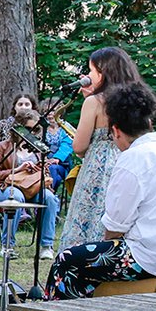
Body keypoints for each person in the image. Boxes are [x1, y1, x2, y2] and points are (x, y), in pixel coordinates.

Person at [49, 83, 156, 297]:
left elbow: (115, 228)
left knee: (66, 261)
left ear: (116, 131)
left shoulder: (132, 158)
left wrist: (105, 249)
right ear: (149, 122)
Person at [58, 45, 144, 249]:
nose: (88, 75)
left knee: (89, 215)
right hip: (127, 163)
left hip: (98, 168)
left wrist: (89, 99)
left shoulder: (95, 102)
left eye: (91, 70)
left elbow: (79, 146)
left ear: (102, 72)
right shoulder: (137, 100)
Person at [0, 107, 63, 255]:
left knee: (50, 198)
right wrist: (18, 169)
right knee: (16, 198)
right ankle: (7, 246)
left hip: (32, 186)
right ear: (18, 127)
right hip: (6, 186)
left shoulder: (37, 148)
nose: (31, 133)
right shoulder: (3, 146)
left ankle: (46, 246)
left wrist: (40, 168)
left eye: (35, 129)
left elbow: (45, 174)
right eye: (28, 128)